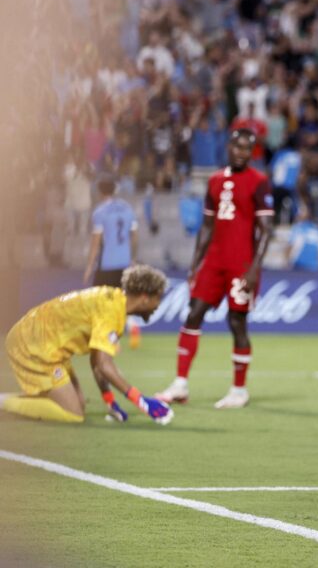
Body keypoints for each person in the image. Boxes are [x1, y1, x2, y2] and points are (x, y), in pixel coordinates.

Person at [155, 128, 274, 409]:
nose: (241, 153)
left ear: (251, 152)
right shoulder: (215, 180)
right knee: (194, 313)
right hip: (214, 261)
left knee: (236, 322)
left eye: (247, 149)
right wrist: (196, 263)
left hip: (241, 263)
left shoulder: (259, 182)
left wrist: (254, 269)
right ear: (229, 148)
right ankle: (180, 384)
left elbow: (266, 230)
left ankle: (239, 390)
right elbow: (206, 226)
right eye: (237, 147)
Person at [1, 265, 172, 425]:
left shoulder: (114, 302)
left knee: (79, 404)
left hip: (47, 345)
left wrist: (109, 400)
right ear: (144, 298)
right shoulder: (111, 312)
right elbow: (104, 364)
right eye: (157, 298)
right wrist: (141, 401)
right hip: (34, 346)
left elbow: (97, 360)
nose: (157, 306)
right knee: (73, 414)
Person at [83, 175, 142, 348]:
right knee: (122, 300)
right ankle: (132, 325)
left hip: (107, 264)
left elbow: (95, 243)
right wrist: (133, 257)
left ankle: (110, 338)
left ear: (100, 192)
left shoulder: (99, 212)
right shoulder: (127, 208)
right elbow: (135, 236)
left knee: (101, 302)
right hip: (124, 263)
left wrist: (89, 267)